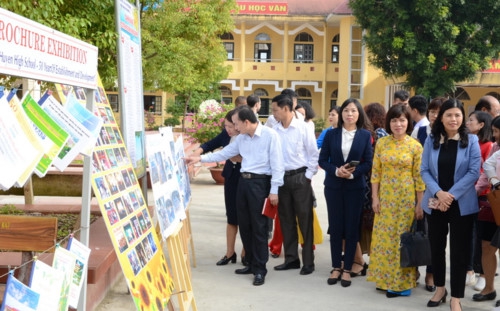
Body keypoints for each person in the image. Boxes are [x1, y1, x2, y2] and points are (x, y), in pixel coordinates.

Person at [185, 105, 284, 286]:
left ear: (247, 122)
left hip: (261, 184)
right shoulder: (242, 138)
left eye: (237, 124)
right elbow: (225, 153)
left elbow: (278, 165)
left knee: (259, 227)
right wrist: (199, 159)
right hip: (243, 183)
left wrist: (274, 190)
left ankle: (260, 269)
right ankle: (252, 264)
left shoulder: (271, 136)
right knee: (245, 225)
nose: (235, 128)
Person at [420, 99, 481, 310]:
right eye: (449, 115)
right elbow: (424, 170)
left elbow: (474, 172)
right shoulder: (431, 139)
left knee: (459, 251)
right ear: (441, 117)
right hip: (435, 202)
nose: (453, 119)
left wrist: (450, 196)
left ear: (463, 117)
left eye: (457, 115)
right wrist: (439, 193)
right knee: (436, 248)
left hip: (461, 204)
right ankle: (439, 289)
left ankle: (456, 297)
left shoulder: (471, 141)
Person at [367, 104, 424, 298]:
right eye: (394, 120)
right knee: (384, 240)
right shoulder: (382, 144)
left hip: (406, 200)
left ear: (408, 122)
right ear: (388, 122)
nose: (398, 124)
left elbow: (419, 178)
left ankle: (402, 284)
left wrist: (419, 204)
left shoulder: (415, 146)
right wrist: (375, 197)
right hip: (385, 199)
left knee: (402, 241)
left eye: (402, 120)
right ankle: (384, 279)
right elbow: (376, 173)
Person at [319, 98, 373, 287]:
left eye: (354, 111)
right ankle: (336, 266)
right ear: (341, 114)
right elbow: (323, 159)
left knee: (351, 228)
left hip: (354, 187)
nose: (350, 114)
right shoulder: (331, 134)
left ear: (359, 115)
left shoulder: (365, 136)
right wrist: (336, 170)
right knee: (336, 227)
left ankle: (348, 268)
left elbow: (368, 162)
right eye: (346, 111)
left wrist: (351, 174)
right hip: (333, 186)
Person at [271, 94, 319, 275]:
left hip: (300, 178)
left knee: (305, 220)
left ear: (286, 108)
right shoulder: (274, 130)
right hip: (281, 178)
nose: (273, 113)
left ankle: (308, 262)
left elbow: (313, 154)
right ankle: (291, 259)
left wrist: (307, 176)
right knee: (286, 220)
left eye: (275, 110)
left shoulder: (303, 127)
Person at [192, 110, 246, 266]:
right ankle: (230, 253)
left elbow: (253, 158)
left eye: (230, 126)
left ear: (239, 124)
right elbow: (210, 145)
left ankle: (245, 251)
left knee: (244, 216)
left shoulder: (248, 137)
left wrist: (236, 158)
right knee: (231, 215)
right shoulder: (226, 135)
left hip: (245, 177)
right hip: (231, 176)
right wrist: (198, 152)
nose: (228, 129)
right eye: (226, 126)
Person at [415, 96, 445, 293]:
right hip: (423, 190)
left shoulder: (451, 134)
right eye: (432, 111)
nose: (434, 115)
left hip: (444, 193)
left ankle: (431, 273)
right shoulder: (421, 131)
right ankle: (414, 268)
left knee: (437, 236)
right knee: (421, 231)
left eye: (438, 112)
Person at [466, 111, 493, 291]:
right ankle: (470, 270)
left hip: (483, 195)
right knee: (469, 233)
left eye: (471, 120)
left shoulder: (489, 145)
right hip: (467, 192)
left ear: (481, 125)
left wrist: (476, 190)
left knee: (482, 238)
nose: (467, 123)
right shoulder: (466, 142)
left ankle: (483, 274)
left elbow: (484, 172)